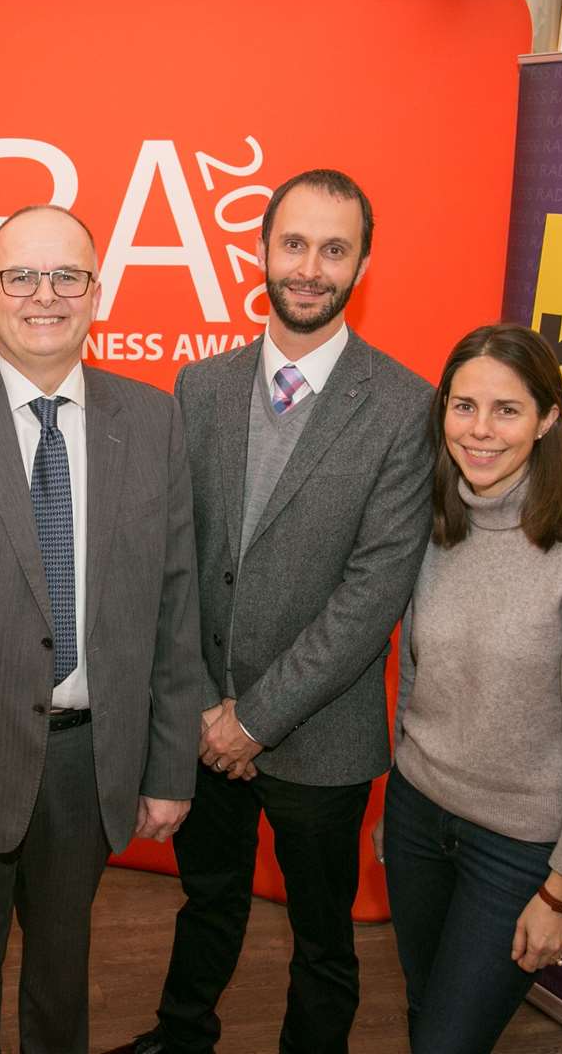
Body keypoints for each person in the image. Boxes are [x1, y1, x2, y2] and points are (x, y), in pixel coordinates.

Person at [0, 204, 207, 1054]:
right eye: (20, 275)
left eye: (67, 276)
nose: (44, 295)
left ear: (98, 292)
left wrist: (169, 767)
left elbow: (175, 609)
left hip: (90, 767)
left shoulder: (154, 419)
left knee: (62, 996)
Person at [124, 169, 434, 1054]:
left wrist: (253, 720)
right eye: (293, 244)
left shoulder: (406, 408)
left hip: (318, 739)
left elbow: (373, 592)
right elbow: (176, 565)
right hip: (203, 725)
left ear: (361, 265)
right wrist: (200, 711)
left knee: (322, 939)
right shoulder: (200, 387)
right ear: (261, 251)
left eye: (333, 250)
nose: (309, 267)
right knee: (209, 900)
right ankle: (181, 1036)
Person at [379, 323, 562, 1051]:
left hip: (520, 851)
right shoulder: (435, 524)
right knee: (424, 1010)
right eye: (463, 406)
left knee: (446, 1041)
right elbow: (417, 675)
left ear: (548, 420)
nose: (481, 430)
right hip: (417, 822)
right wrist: (399, 802)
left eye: (507, 409)